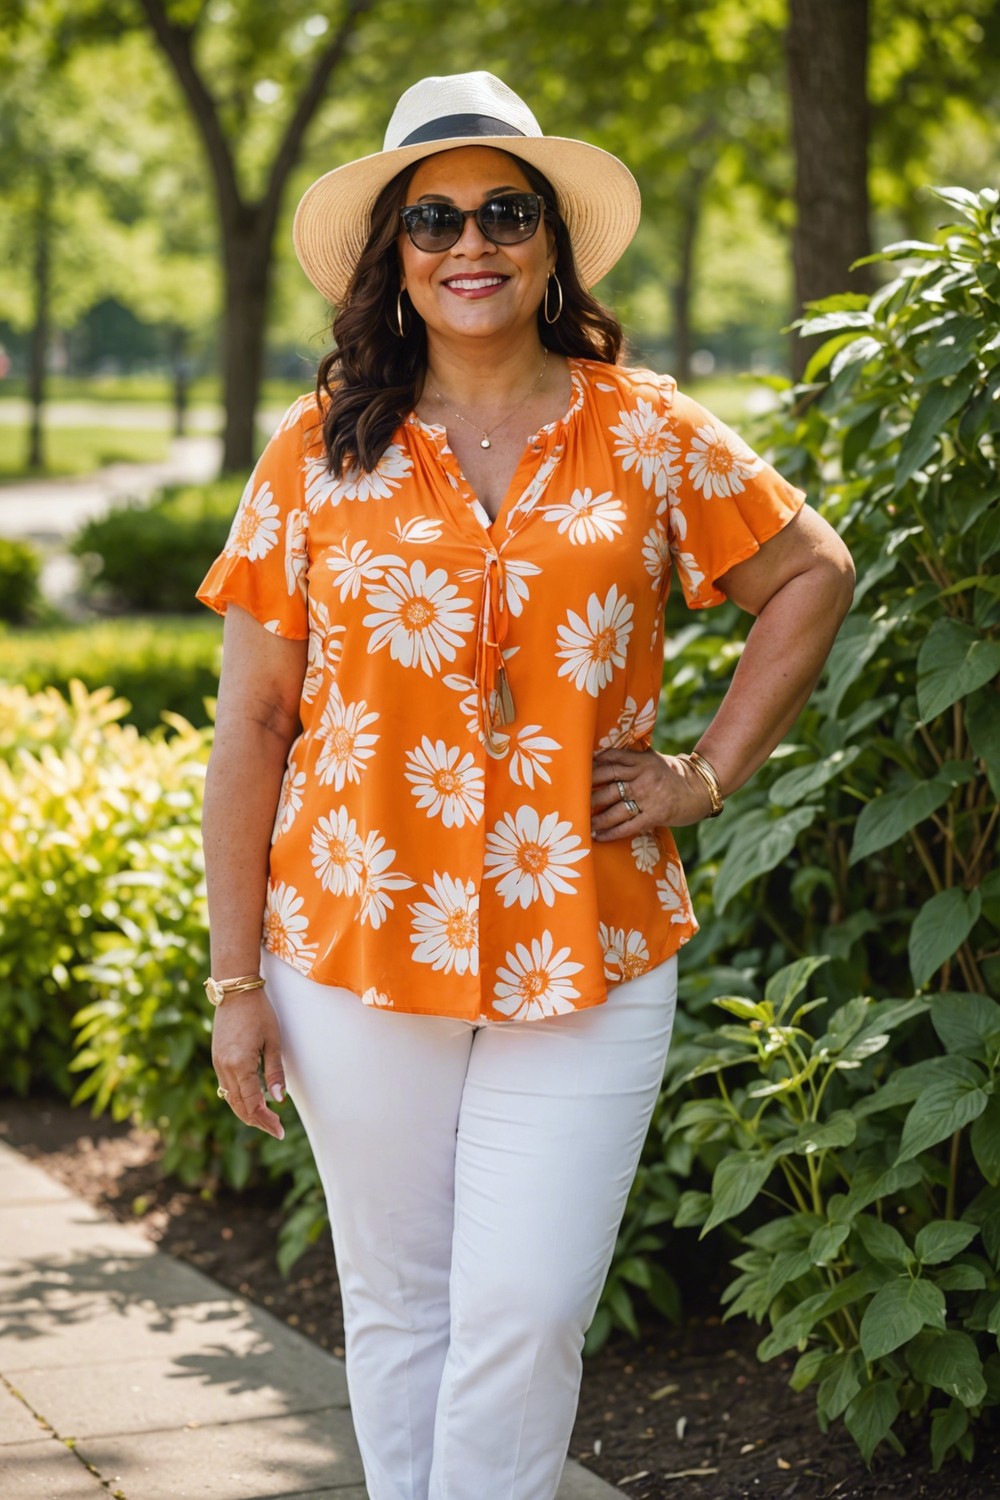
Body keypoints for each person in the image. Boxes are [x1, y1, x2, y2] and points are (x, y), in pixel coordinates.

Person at [196, 71, 854, 1500]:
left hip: (596, 930)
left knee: (531, 1305)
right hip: (353, 940)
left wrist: (705, 774)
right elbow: (251, 722)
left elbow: (813, 573)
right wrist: (232, 980)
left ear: (551, 242)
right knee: (404, 1303)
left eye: (504, 211)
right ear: (397, 258)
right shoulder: (318, 451)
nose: (469, 243)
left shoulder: (649, 430)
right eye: (431, 219)